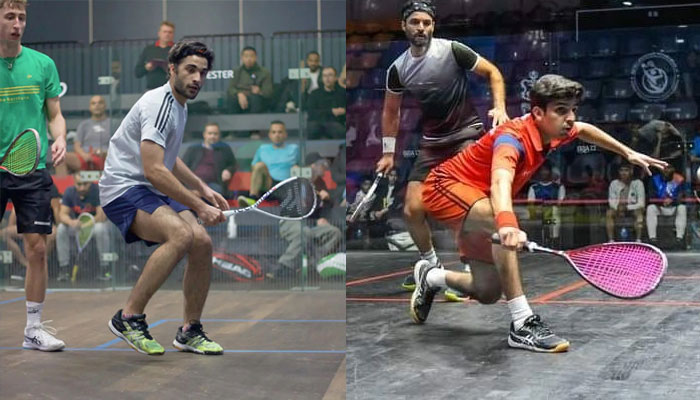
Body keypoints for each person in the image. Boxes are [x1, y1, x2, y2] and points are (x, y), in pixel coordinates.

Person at [416, 74, 667, 352]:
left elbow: (583, 129)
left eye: (572, 109)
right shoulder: (511, 139)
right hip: (444, 188)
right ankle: (522, 324)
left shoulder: (553, 130)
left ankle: (431, 277)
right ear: (537, 113)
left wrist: (627, 152)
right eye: (561, 110)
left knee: (486, 291)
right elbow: (501, 181)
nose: (570, 117)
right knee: (500, 221)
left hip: (480, 201)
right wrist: (507, 224)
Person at [99, 40, 228, 356]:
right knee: (182, 234)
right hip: (123, 188)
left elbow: (168, 156)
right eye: (190, 70)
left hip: (148, 187)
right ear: (171, 69)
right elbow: (155, 169)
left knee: (202, 243)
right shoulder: (159, 103)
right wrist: (200, 206)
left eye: (203, 72)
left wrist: (202, 187)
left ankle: (189, 331)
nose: (197, 78)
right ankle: (128, 317)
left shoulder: (178, 105)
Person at [376, 0, 510, 296]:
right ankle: (430, 266)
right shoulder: (398, 69)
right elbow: (390, 112)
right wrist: (388, 153)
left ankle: (468, 268)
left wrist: (499, 108)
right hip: (432, 144)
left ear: (433, 26)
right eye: (415, 22)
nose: (421, 27)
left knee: (465, 206)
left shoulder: (452, 50)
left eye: (426, 23)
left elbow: (493, 73)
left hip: (465, 136)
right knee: (412, 209)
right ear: (404, 26)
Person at [0, 0, 68, 352]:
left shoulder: (43, 64)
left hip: (32, 168)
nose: (17, 24)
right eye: (10, 16)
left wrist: (60, 136)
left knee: (38, 247)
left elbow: (54, 113)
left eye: (21, 17)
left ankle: (33, 329)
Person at [273, 153, 341, 278]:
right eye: (322, 165)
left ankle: (311, 265)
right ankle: (283, 268)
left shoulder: (320, 184)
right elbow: (292, 203)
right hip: (291, 221)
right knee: (304, 233)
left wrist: (325, 202)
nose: (325, 168)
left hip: (311, 225)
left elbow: (326, 206)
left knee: (334, 232)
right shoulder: (297, 181)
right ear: (313, 165)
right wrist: (314, 195)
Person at [56, 172, 111, 281]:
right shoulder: (69, 192)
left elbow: (101, 217)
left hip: (96, 225)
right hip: (79, 226)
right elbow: (62, 214)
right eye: (79, 184)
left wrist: (86, 224)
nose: (81, 187)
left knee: (100, 229)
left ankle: (105, 268)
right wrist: (71, 222)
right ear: (74, 183)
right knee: (61, 229)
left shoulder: (97, 190)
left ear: (90, 182)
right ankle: (64, 269)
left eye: (85, 184)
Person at [237, 121, 299, 206]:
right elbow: (253, 168)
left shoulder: (294, 149)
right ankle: (252, 198)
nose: (277, 135)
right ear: (270, 135)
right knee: (259, 166)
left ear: (285, 134)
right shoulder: (263, 149)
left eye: (280, 132)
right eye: (274, 132)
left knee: (297, 169)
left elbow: (303, 167)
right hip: (268, 186)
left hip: (287, 185)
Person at [181, 122, 237, 196]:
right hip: (194, 183)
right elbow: (183, 166)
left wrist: (228, 170)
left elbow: (233, 164)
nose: (212, 136)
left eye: (215, 134)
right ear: (204, 134)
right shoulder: (193, 149)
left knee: (216, 191)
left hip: (213, 185)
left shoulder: (225, 149)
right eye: (210, 133)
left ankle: (197, 195)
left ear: (219, 135)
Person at [64, 95, 110, 174]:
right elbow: (77, 145)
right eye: (93, 103)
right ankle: (61, 185)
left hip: (106, 158)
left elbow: (119, 146)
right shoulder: (84, 125)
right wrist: (84, 155)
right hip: (85, 157)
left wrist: (105, 152)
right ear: (90, 107)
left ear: (105, 106)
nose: (97, 105)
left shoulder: (113, 123)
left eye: (100, 103)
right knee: (62, 158)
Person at [646, 165, 687, 248]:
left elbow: (682, 196)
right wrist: (661, 201)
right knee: (650, 208)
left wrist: (672, 200)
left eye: (669, 169)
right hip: (659, 207)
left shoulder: (679, 179)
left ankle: (679, 238)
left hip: (674, 206)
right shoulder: (654, 179)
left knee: (682, 208)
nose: (667, 171)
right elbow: (650, 196)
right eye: (665, 169)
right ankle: (652, 238)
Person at [526, 161, 565, 246]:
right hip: (538, 215)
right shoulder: (534, 188)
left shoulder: (559, 187)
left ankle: (554, 241)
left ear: (550, 172)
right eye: (542, 170)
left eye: (546, 170)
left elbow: (560, 203)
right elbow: (530, 204)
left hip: (553, 214)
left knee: (554, 212)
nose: (544, 173)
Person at [227, 46, 273, 113]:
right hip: (240, 97)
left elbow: (269, 92)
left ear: (256, 57)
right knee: (232, 99)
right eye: (246, 56)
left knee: (255, 99)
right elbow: (231, 88)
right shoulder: (237, 71)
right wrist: (239, 94)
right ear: (242, 58)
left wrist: (259, 91)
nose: (249, 59)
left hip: (257, 99)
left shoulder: (264, 72)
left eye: (251, 56)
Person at [606, 163, 645, 242]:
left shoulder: (638, 183)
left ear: (631, 171)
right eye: (621, 170)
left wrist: (627, 207)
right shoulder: (614, 184)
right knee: (609, 213)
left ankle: (638, 239)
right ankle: (611, 240)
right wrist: (618, 208)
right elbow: (611, 201)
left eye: (626, 170)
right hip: (618, 208)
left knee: (639, 214)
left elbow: (641, 203)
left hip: (633, 208)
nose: (624, 173)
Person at [306, 66, 346, 139]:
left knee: (338, 129)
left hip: (335, 122)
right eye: (324, 76)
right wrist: (331, 112)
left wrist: (344, 111)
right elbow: (311, 112)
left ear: (336, 77)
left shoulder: (343, 92)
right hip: (318, 122)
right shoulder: (315, 93)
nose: (327, 78)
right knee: (312, 128)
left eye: (330, 75)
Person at [135, 21, 175, 90]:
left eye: (170, 32)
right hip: (151, 89)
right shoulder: (149, 49)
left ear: (173, 34)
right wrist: (146, 68)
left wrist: (170, 69)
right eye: (165, 32)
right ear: (159, 33)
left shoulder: (177, 50)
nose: (167, 34)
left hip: (171, 89)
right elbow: (137, 72)